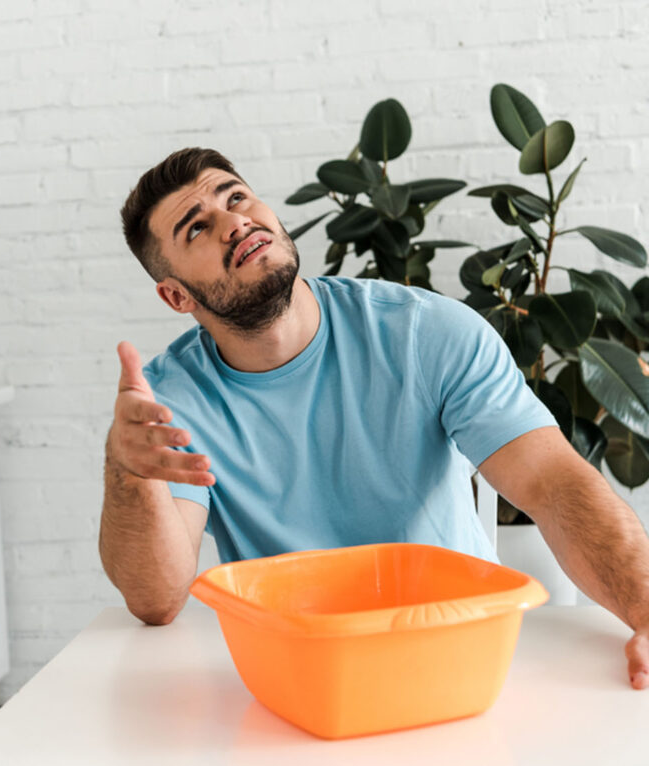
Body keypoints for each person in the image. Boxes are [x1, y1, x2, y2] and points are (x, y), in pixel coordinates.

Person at [99, 147, 649, 690]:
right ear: (175, 295)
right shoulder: (171, 401)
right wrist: (129, 471)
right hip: (303, 675)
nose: (234, 222)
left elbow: (554, 484)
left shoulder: (426, 333)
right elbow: (158, 599)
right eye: (196, 228)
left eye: (236, 196)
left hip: (458, 655)